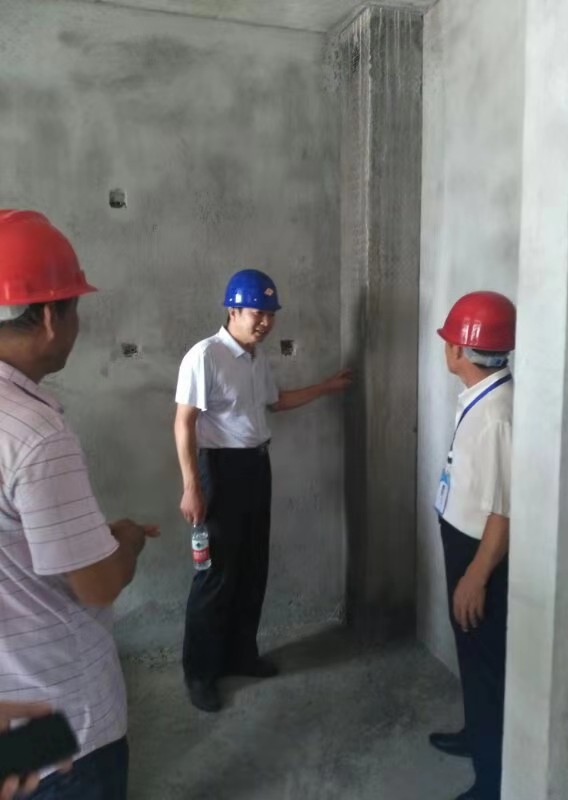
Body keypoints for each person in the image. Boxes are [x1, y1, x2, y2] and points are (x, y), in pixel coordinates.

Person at [0, 210, 158, 800]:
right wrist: (125, 542)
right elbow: (97, 585)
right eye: (74, 308)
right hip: (58, 721)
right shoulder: (35, 435)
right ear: (49, 315)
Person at [175, 269, 351, 712]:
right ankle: (200, 673)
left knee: (253, 564)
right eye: (258, 313)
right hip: (219, 471)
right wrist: (191, 487)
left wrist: (326, 387)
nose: (266, 323)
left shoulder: (256, 359)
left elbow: (277, 401)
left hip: (256, 466)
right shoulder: (205, 355)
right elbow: (184, 422)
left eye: (271, 314)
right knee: (215, 573)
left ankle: (240, 654)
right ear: (233, 310)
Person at [429, 291, 516, 800]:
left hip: (481, 556)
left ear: (460, 348)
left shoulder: (498, 415)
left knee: (485, 663)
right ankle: (476, 735)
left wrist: (475, 577)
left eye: (449, 340)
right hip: (463, 543)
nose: (446, 348)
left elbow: (505, 513)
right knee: (471, 650)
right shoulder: (482, 396)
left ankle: (492, 782)